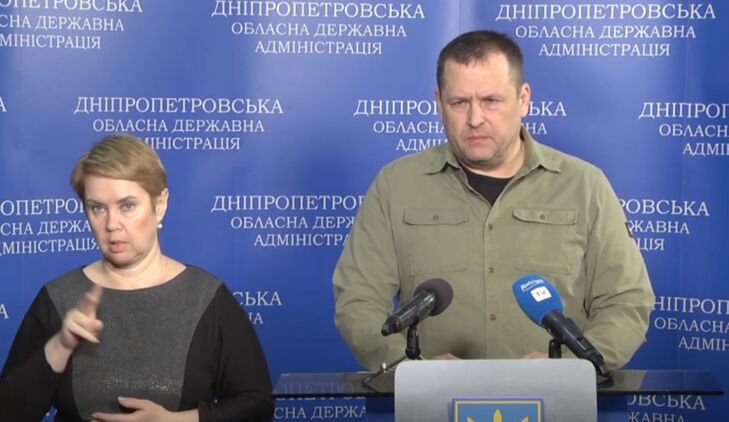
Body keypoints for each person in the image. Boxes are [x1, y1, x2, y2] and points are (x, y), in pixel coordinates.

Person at [333, 30, 655, 372]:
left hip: (556, 397)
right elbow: (358, 301)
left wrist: (570, 369)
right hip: (430, 397)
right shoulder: (396, 185)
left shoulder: (585, 185)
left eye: (491, 100)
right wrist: (412, 369)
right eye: (459, 103)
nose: (475, 119)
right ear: (439, 103)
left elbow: (626, 301)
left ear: (523, 99)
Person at [0, 134, 274, 421]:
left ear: (160, 204)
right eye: (97, 208)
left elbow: (256, 406)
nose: (112, 224)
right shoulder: (57, 298)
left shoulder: (207, 298)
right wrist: (61, 345)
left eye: (127, 206)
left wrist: (175, 421)